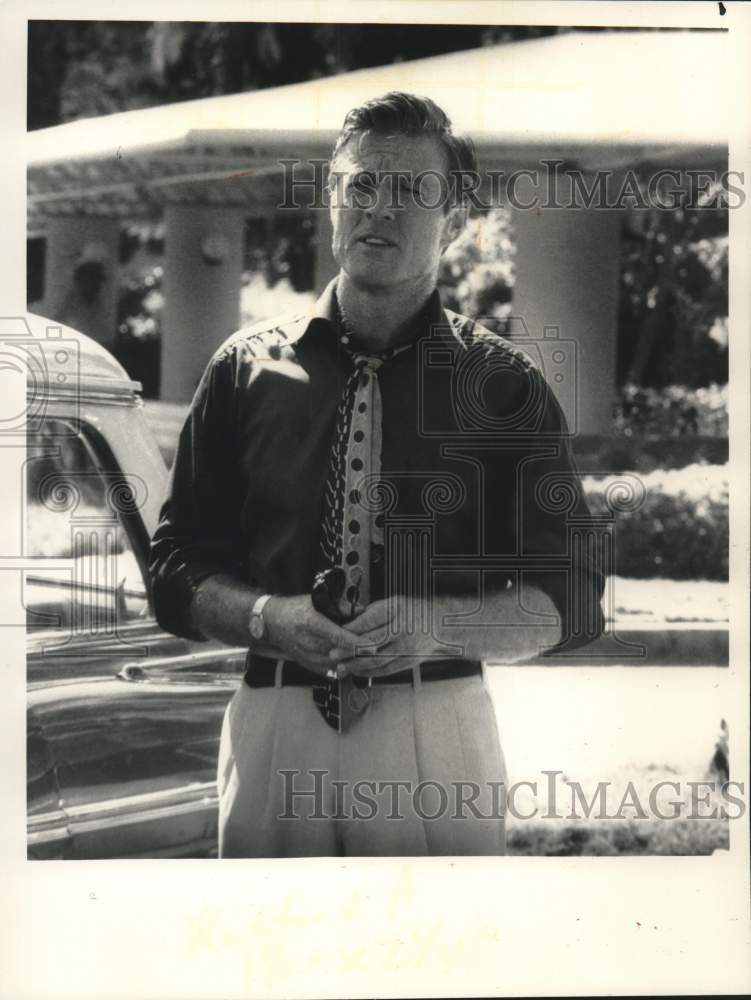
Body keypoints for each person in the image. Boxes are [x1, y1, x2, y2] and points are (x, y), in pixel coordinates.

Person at [149, 91, 604, 858]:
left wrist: (440, 627)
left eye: (410, 192)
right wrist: (266, 617)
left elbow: (573, 600)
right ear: (331, 203)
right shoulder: (240, 371)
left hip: (436, 728)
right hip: (275, 727)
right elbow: (171, 571)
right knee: (267, 966)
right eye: (360, 186)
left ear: (454, 221)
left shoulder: (503, 387)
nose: (378, 210)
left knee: (438, 968)